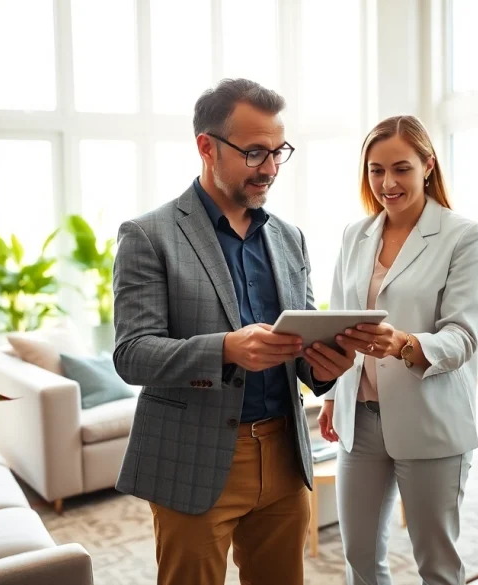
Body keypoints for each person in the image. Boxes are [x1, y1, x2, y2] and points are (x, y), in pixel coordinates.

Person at [112, 78, 356, 585]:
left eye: (277, 152)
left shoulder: (290, 238)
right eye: (253, 153)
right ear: (206, 147)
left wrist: (327, 365)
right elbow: (132, 354)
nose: (269, 168)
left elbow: (302, 348)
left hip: (286, 458)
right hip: (193, 459)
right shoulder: (149, 235)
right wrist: (226, 348)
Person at [317, 114, 478, 585]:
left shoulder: (465, 236)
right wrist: (332, 396)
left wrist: (405, 344)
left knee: (435, 564)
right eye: (376, 170)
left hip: (431, 419)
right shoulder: (356, 235)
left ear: (427, 166)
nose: (387, 183)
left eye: (401, 168)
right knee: (359, 559)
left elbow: (463, 336)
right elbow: (338, 316)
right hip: (361, 419)